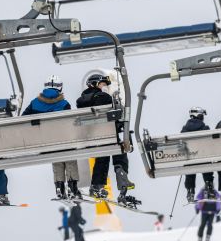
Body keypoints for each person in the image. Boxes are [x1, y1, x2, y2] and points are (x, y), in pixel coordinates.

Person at [76, 74, 137, 205]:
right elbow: (115, 113)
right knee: (119, 147)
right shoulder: (104, 97)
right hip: (107, 136)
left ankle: (97, 185)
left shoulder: (80, 101)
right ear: (96, 84)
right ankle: (121, 176)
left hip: (89, 138)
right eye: (103, 84)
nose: (105, 87)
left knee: (103, 155)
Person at [22, 75, 81, 199]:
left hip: (47, 139)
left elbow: (24, 118)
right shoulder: (64, 104)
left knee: (57, 160)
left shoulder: (34, 103)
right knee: (70, 158)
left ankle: (59, 187)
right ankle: (72, 187)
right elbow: (69, 122)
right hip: (64, 137)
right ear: (60, 87)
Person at [181, 107, 214, 202]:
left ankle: (190, 192)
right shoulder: (205, 128)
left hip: (190, 157)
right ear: (199, 116)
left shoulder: (184, 130)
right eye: (202, 115)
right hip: (203, 157)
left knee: (189, 169)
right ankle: (209, 188)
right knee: (207, 165)